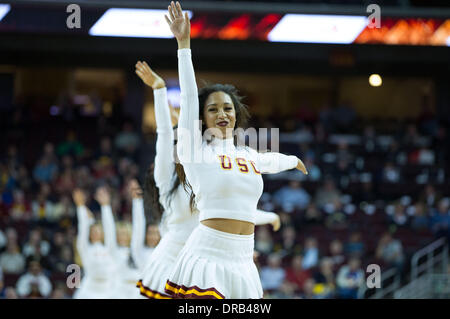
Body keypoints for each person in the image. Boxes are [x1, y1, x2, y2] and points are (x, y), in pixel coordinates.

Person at [163, 1, 307, 299]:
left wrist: (293, 160)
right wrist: (183, 44)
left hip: (244, 260)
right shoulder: (195, 149)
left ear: (236, 113)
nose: (221, 113)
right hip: (208, 255)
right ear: (202, 118)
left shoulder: (248, 155)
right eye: (213, 109)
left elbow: (269, 160)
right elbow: (190, 97)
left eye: (227, 107)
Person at [134, 60, 281, 299]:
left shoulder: (208, 174)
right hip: (171, 265)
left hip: (207, 264)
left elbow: (233, 211)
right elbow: (163, 133)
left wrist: (268, 217)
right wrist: (159, 89)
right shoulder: (165, 178)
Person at [95, 186, 142, 299]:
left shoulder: (137, 249)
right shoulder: (114, 251)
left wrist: (137, 201)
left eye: (125, 233)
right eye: (120, 233)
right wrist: (105, 207)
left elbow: (139, 227)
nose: (122, 236)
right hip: (119, 292)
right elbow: (109, 230)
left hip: (139, 292)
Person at [72, 188, 116, 299]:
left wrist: (106, 206)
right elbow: (83, 228)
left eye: (98, 230)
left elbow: (110, 230)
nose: (96, 233)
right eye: (93, 231)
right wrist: (80, 206)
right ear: (89, 234)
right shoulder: (85, 248)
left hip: (108, 289)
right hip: (88, 290)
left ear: (102, 233)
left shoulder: (109, 248)